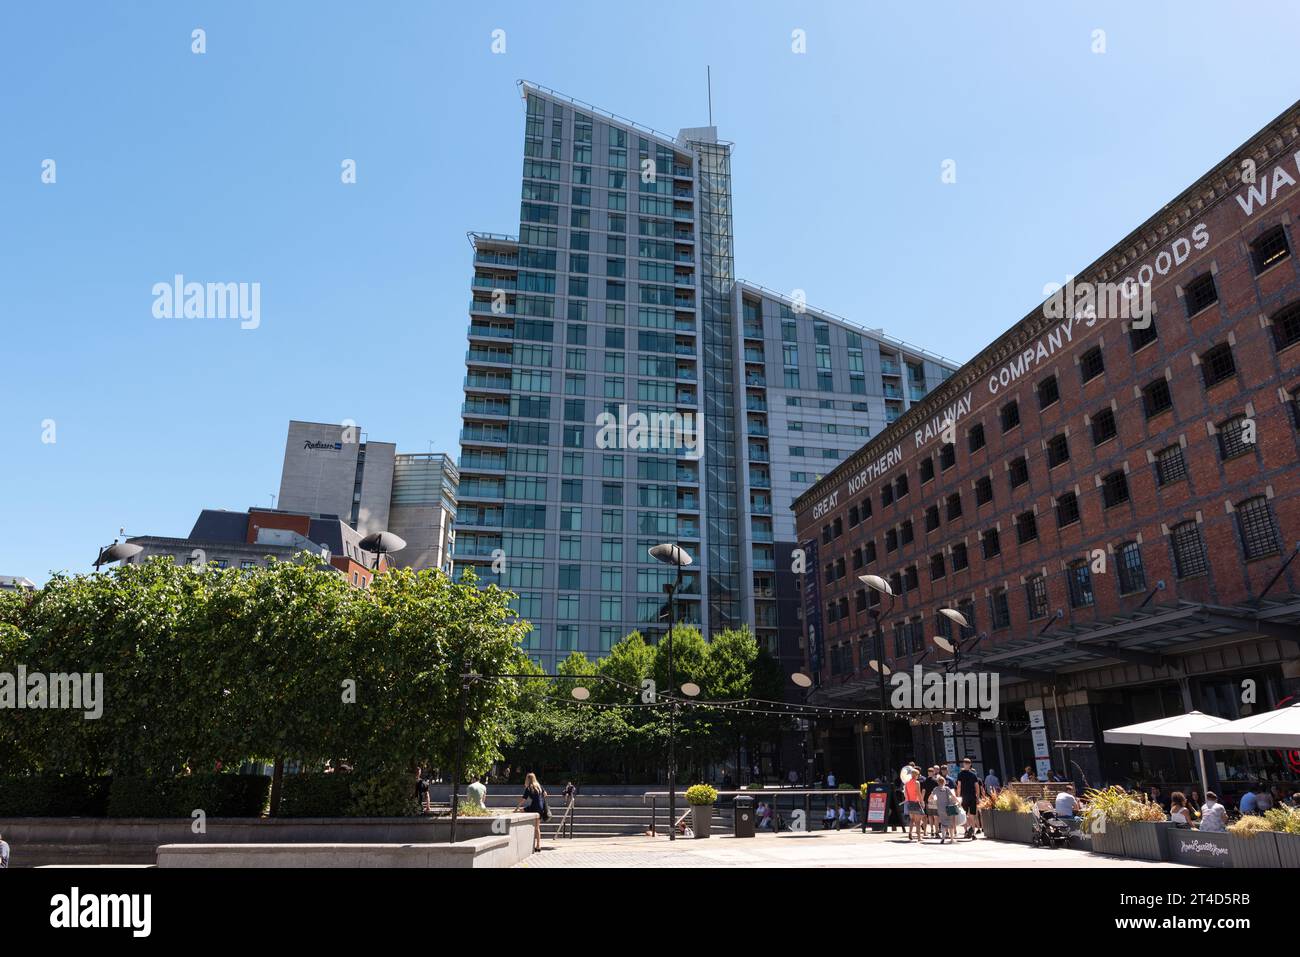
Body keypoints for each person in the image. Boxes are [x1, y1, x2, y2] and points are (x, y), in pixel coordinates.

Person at [516, 772, 548, 852]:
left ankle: (527, 840)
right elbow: (545, 794)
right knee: (537, 827)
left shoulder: (529, 787)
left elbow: (523, 799)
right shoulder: (539, 786)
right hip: (540, 807)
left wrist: (516, 808)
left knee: (520, 811)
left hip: (534, 806)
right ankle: (538, 846)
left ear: (528, 779)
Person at [956, 757, 983, 839]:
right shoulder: (973, 775)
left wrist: (958, 797)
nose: (966, 765)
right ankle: (972, 832)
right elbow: (977, 787)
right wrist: (977, 797)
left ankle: (967, 831)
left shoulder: (960, 774)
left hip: (965, 797)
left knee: (965, 815)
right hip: (971, 797)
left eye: (966, 763)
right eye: (966, 763)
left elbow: (959, 786)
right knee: (971, 815)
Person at [932, 776, 959, 844]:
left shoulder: (935, 789)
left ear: (937, 782)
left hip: (940, 808)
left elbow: (930, 797)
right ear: (944, 782)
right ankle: (952, 839)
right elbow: (953, 796)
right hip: (948, 808)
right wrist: (958, 802)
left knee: (943, 823)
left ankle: (943, 838)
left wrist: (935, 800)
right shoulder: (946, 788)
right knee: (950, 823)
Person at [903, 766, 925, 842]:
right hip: (916, 802)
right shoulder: (917, 782)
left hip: (909, 802)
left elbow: (905, 793)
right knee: (918, 821)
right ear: (916, 775)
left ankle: (910, 833)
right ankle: (919, 837)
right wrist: (922, 801)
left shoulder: (907, 783)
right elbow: (918, 793)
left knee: (912, 819)